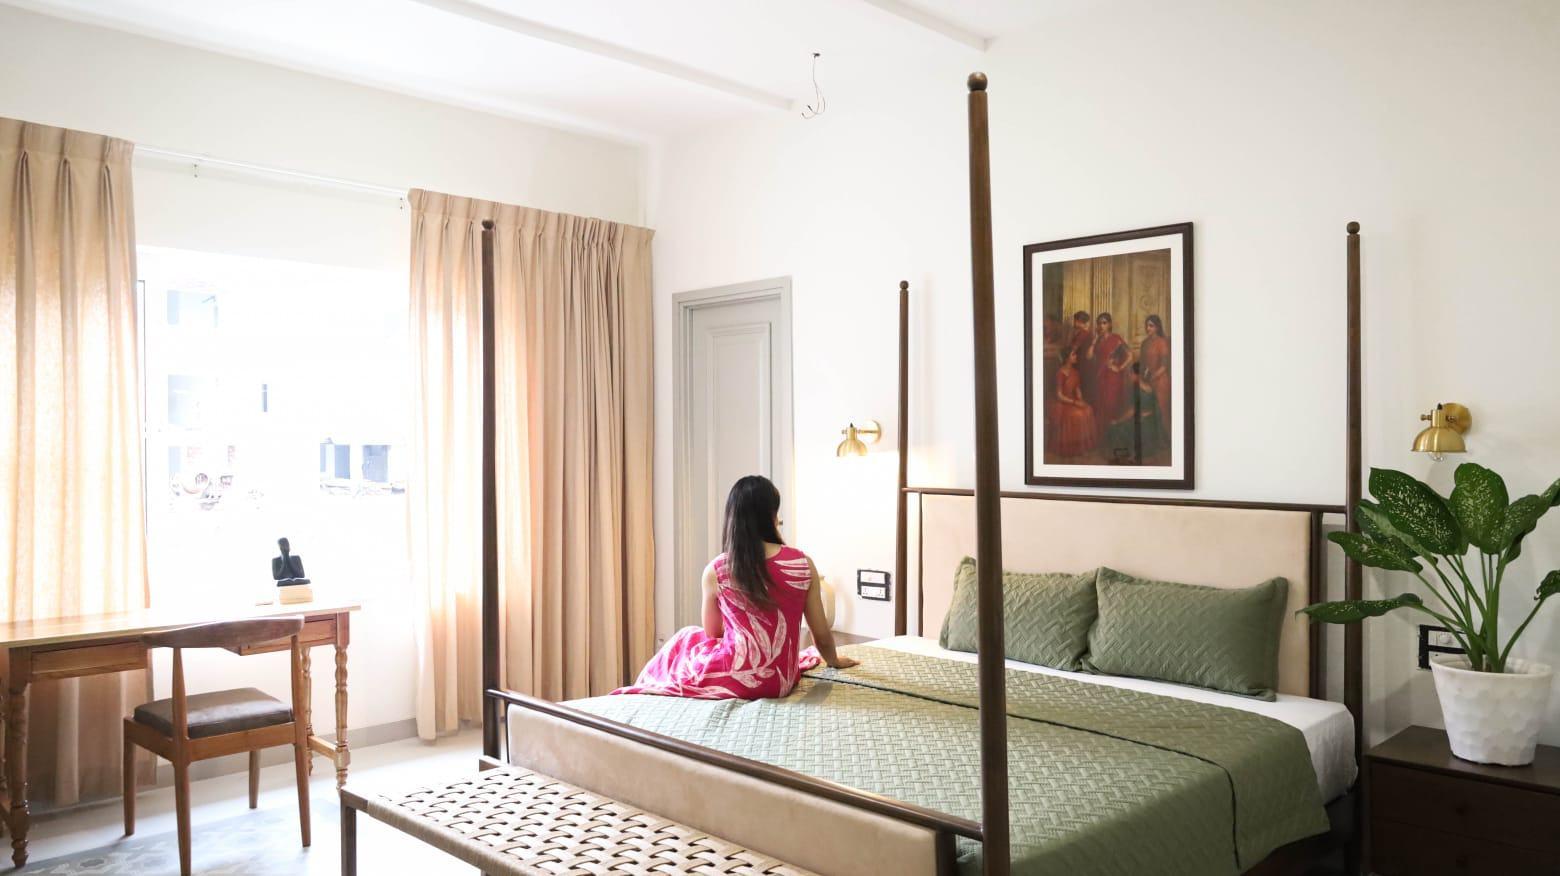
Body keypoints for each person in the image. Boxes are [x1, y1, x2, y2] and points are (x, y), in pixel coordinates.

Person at [616, 475, 856, 699]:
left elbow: (713, 632)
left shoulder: (718, 569)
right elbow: (821, 634)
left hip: (737, 676)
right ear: (772, 515)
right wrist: (833, 661)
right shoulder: (802, 564)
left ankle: (644, 688)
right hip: (781, 681)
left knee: (687, 637)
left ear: (733, 517)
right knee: (691, 637)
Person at [1047, 346, 1096, 458]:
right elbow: (1059, 395)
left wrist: (1081, 400)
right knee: (1078, 414)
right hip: (1063, 402)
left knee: (1088, 409)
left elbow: (1077, 389)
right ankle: (1072, 447)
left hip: (1073, 400)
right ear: (1067, 358)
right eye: (1073, 355)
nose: (1076, 357)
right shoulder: (1060, 373)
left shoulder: (1075, 372)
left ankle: (1082, 446)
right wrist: (1074, 402)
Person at [1085, 312, 1129, 433]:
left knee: (1111, 403)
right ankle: (1102, 434)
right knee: (1100, 404)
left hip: (1113, 377)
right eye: (1099, 323)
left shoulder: (1116, 338)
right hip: (1100, 376)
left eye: (1104, 323)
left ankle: (1112, 433)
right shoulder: (1098, 340)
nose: (1101, 326)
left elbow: (1130, 355)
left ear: (1109, 324)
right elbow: (1088, 356)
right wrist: (1094, 340)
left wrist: (1119, 368)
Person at [1139, 314, 1172, 436]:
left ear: (1157, 327)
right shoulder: (1144, 343)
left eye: (1151, 326)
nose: (1148, 328)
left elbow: (1164, 366)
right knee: (1148, 411)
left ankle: (1166, 438)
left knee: (1161, 412)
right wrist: (1143, 379)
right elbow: (1142, 364)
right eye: (1147, 326)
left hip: (1160, 381)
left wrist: (1153, 376)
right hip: (1148, 379)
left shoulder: (1162, 342)